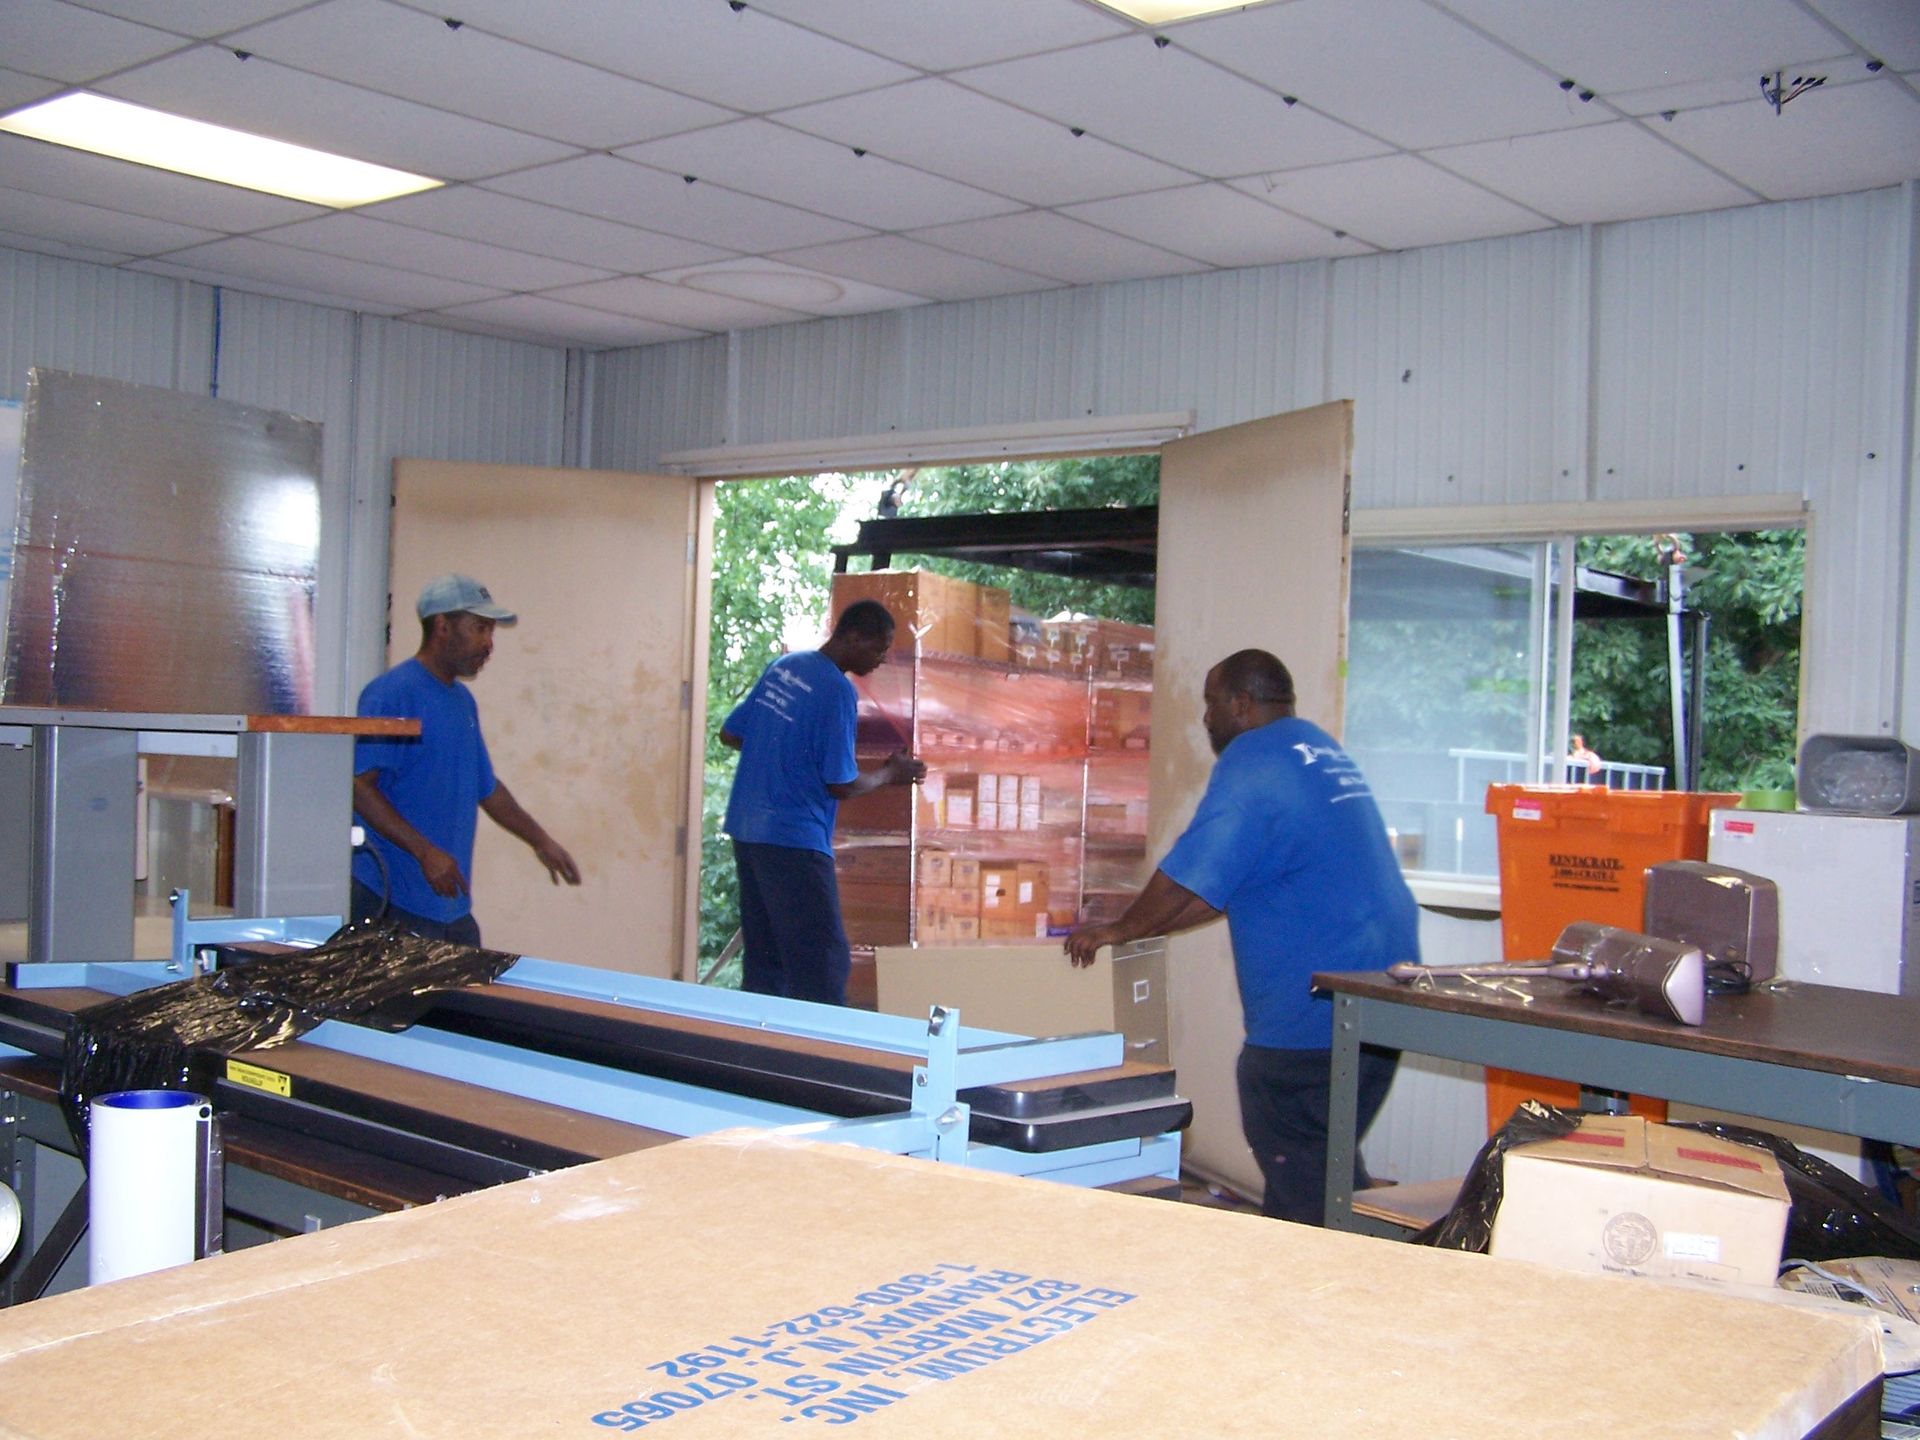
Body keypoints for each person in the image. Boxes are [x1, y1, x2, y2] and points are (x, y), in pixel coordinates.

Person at [1065, 648, 1419, 1225]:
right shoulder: (1316, 749)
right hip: (1384, 999)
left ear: (1242, 704)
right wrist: (1130, 935)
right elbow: (1211, 891)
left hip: (1315, 1015)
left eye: (1210, 703)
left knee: (1296, 1160)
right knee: (1324, 1166)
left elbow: (1189, 872)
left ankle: (1319, 1298)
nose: (1205, 718)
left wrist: (1121, 927)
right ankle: (1359, 1265)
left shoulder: (1253, 761)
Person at [350, 573, 581, 946]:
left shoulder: (461, 701)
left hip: (448, 906)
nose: (489, 644)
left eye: (491, 632)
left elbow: (486, 788)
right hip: (391, 902)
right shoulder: (391, 694)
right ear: (442, 626)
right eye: (479, 629)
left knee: (463, 1002)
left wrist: (541, 840)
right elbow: (360, 788)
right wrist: (426, 853)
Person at [721, 599, 926, 1004]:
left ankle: (759, 1054)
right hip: (793, 840)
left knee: (767, 962)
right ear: (853, 636)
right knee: (823, 962)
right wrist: (891, 774)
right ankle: (823, 1059)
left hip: (747, 831)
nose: (882, 659)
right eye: (879, 648)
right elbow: (841, 785)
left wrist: (783, 752)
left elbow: (732, 734)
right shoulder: (836, 690)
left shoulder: (784, 667)